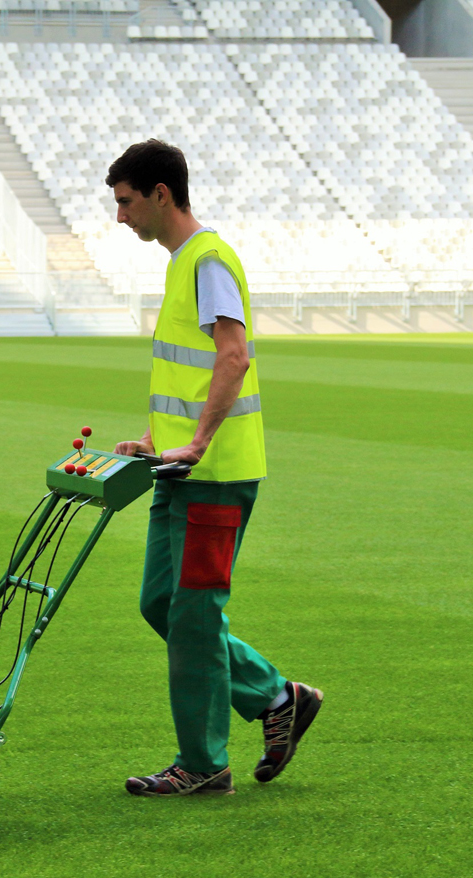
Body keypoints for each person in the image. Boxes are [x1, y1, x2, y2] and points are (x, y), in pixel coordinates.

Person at [108, 139, 323, 797]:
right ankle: (274, 695)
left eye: (125, 202)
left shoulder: (208, 262)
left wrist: (197, 442)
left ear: (160, 195)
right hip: (181, 474)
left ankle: (202, 765)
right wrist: (156, 437)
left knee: (195, 612)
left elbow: (234, 357)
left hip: (215, 475)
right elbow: (193, 369)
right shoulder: (183, 264)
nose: (120, 217)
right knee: (162, 603)